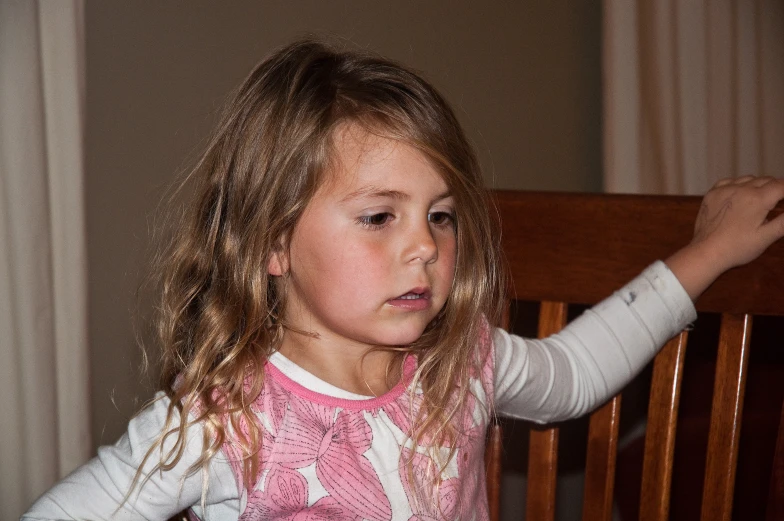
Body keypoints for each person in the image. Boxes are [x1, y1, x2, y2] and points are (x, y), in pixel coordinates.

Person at [23, 39, 784, 521]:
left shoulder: (463, 362)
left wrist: (710, 251)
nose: (424, 245)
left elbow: (576, 371)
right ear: (270, 242)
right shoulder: (224, 424)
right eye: (380, 216)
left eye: (442, 216)